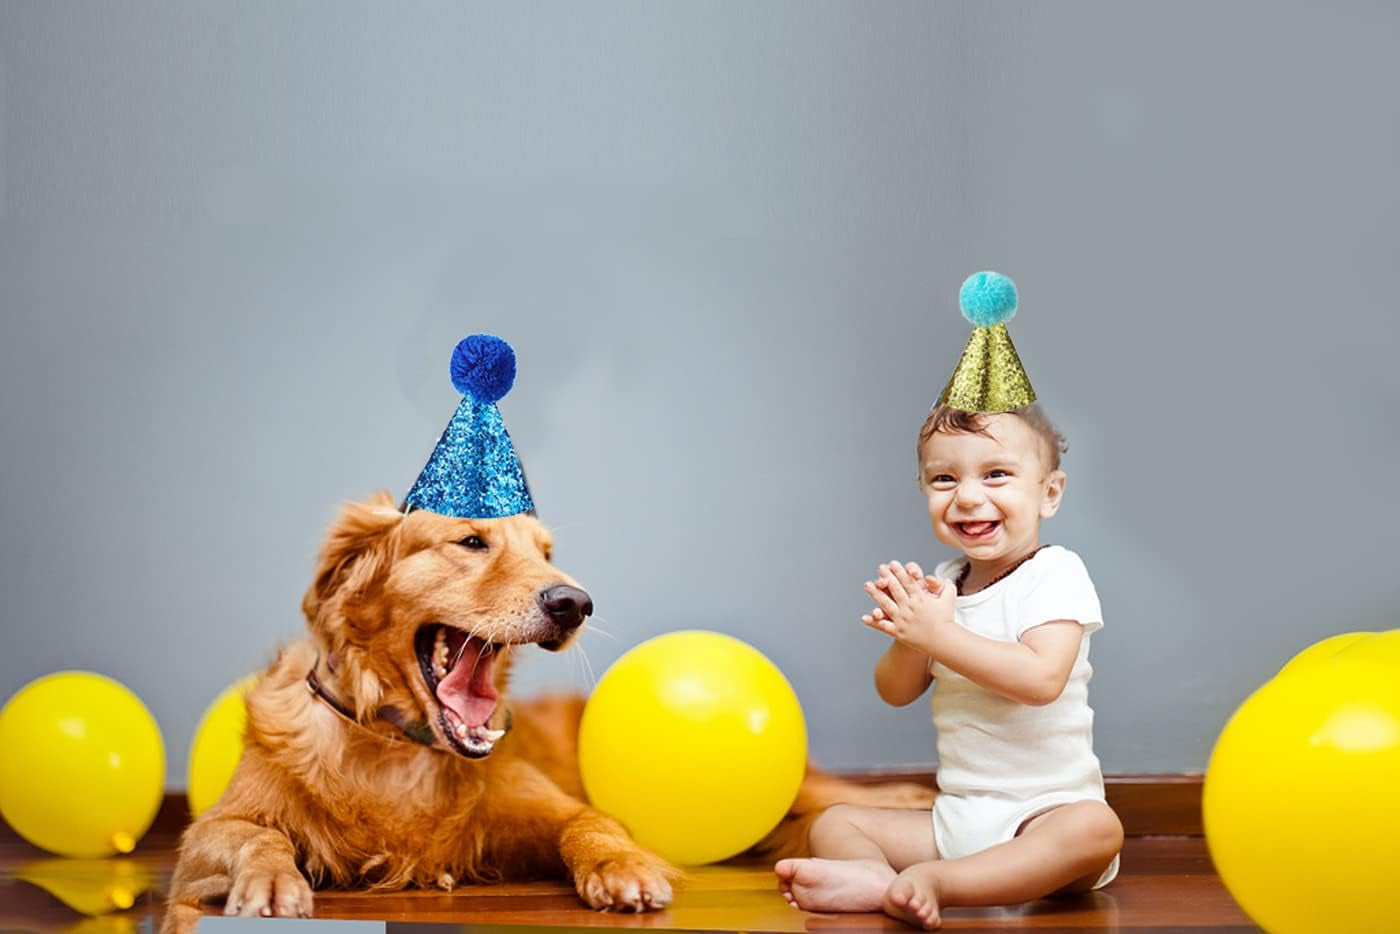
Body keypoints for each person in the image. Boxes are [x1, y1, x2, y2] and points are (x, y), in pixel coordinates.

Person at [775, 273, 1122, 930]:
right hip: (958, 817)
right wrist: (910, 637)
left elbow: (1042, 679)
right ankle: (885, 881)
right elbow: (895, 691)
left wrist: (941, 637)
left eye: (996, 475)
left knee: (1097, 829)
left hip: (1044, 816)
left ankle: (938, 883)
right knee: (835, 821)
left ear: (1049, 494)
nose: (967, 497)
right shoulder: (945, 582)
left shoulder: (1056, 575)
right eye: (944, 479)